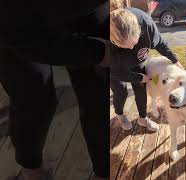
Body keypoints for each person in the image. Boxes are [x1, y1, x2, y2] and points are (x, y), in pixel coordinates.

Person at [0, 1, 109, 180]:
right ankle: (31, 165)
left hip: (85, 10)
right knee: (32, 97)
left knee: (99, 95)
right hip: (13, 18)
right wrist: (97, 52)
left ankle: (105, 172)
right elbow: (15, 35)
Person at [110, 5, 183, 131]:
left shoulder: (147, 25)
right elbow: (115, 71)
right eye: (124, 46)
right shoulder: (107, 41)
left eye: (133, 43)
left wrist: (175, 59)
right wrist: (139, 77)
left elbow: (160, 43)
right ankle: (120, 115)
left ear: (139, 30)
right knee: (121, 92)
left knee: (141, 89)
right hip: (116, 68)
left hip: (139, 63)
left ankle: (143, 118)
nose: (131, 48)